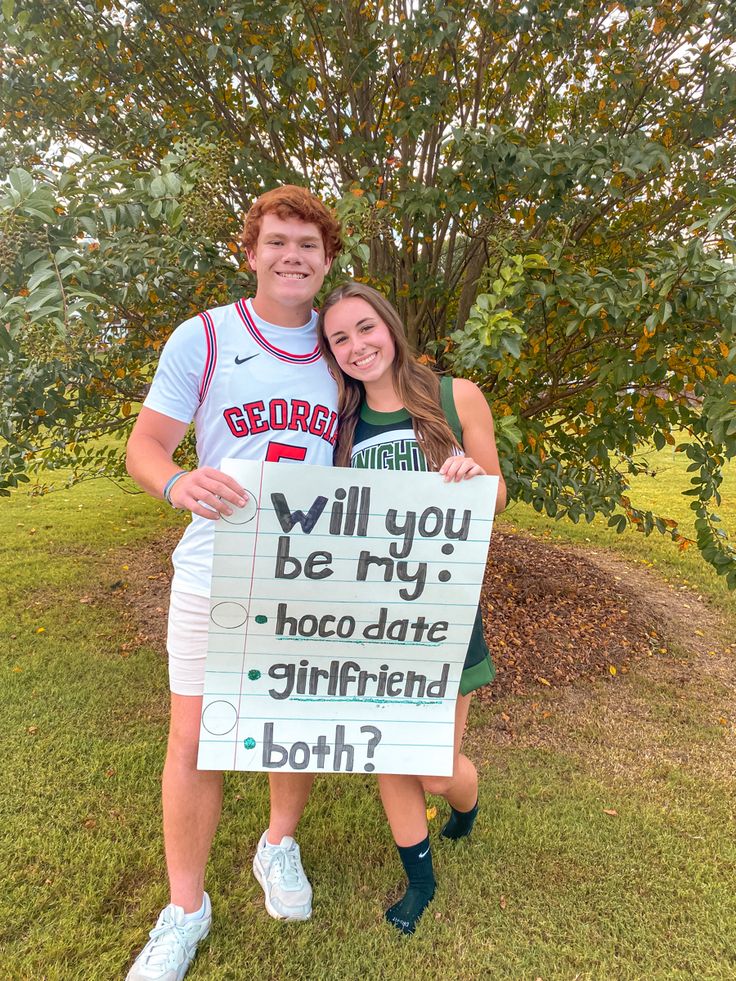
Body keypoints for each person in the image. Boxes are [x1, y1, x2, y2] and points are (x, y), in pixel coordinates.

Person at [125, 185, 342, 980]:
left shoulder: (342, 345)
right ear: (250, 251)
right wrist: (177, 483)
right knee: (195, 736)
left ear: (326, 261)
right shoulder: (206, 337)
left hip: (312, 570)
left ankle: (277, 844)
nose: (293, 255)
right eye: (278, 240)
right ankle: (185, 909)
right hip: (215, 565)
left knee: (295, 721)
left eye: (309, 245)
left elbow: (395, 429)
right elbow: (146, 445)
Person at [317, 281, 507, 936]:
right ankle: (419, 877)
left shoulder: (455, 396)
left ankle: (467, 798)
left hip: (444, 614)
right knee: (384, 750)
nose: (356, 345)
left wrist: (473, 478)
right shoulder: (340, 424)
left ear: (390, 327)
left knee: (432, 770)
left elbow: (499, 491)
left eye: (365, 328)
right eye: (339, 337)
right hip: (370, 621)